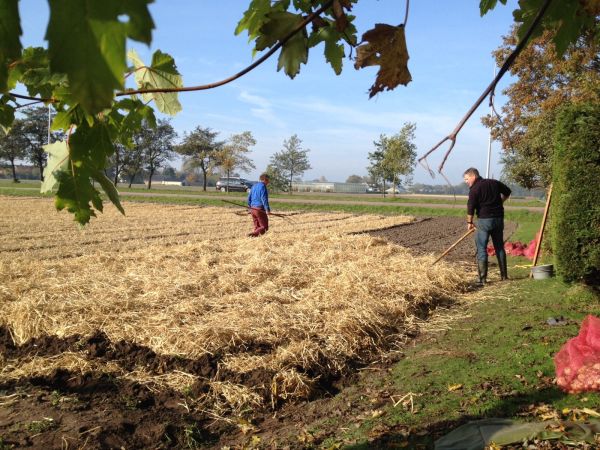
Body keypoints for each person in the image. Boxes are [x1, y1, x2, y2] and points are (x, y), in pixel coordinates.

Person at [463, 167, 511, 285]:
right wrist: (501, 201)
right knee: (499, 247)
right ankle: (504, 276)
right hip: (498, 219)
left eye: (466, 179)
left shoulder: (474, 189)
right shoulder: (494, 183)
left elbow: (470, 207)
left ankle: (482, 279)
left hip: (484, 221)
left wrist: (469, 223)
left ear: (473, 176)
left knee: (481, 248)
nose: (466, 181)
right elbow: (508, 191)